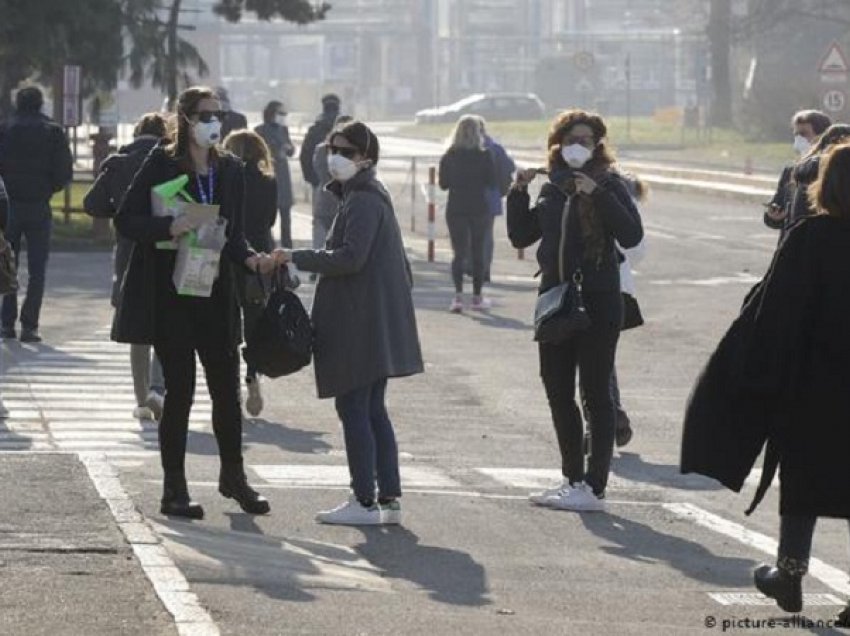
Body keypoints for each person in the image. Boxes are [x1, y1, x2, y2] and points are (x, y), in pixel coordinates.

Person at [681, 143, 850, 627]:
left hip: (814, 387)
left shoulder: (811, 236)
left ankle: (790, 574)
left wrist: (749, 376)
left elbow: (775, 314)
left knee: (804, 482)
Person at [113, 86, 276, 519]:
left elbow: (235, 234)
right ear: (185, 118)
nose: (213, 123)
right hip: (171, 295)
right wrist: (168, 227)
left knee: (225, 390)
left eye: (218, 115)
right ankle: (174, 490)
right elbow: (126, 219)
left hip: (215, 292)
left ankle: (234, 477)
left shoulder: (231, 169)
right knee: (180, 391)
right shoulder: (161, 162)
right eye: (205, 115)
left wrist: (253, 259)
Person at [274, 121, 424, 526]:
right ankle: (387, 498)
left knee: (355, 407)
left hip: (360, 321)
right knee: (373, 408)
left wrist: (295, 256)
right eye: (332, 148)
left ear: (366, 158)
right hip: (373, 319)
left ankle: (364, 499)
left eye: (346, 151)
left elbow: (349, 257)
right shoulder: (367, 194)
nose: (335, 157)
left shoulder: (363, 200)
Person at [507, 109, 643, 513]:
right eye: (570, 140)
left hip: (600, 298)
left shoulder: (610, 183)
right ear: (557, 145)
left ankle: (595, 487)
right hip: (555, 298)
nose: (577, 147)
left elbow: (632, 235)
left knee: (596, 393)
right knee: (556, 388)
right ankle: (572, 479)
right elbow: (521, 234)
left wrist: (596, 194)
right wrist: (517, 192)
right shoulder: (552, 186)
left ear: (597, 145)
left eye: (586, 141)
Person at [83, 113, 169, 421]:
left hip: (129, 248)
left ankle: (142, 398)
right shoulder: (172, 161)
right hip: (166, 246)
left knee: (137, 325)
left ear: (136, 132)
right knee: (165, 323)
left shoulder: (118, 163)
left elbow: (92, 204)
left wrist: (119, 213)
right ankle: (160, 388)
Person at [0, 86, 73, 343]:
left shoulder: (5, 129)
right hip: (38, 204)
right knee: (37, 268)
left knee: (8, 264)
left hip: (8, 205)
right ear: (41, 104)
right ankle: (29, 325)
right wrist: (48, 188)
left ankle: (6, 324)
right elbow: (64, 170)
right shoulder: (52, 131)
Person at [222, 129, 278, 417]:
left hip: (230, 257)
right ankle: (252, 376)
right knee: (254, 321)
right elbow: (270, 219)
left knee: (228, 323)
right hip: (260, 259)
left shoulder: (225, 179)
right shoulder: (268, 183)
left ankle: (230, 386)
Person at [439, 115, 497, 312]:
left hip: (456, 207)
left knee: (459, 253)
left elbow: (443, 184)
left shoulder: (449, 155)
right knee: (477, 252)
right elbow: (491, 181)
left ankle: (457, 297)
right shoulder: (485, 155)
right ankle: (477, 297)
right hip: (478, 208)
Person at [763, 111, 831, 234]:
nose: (799, 139)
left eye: (804, 134)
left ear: (822, 136)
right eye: (796, 134)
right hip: (791, 245)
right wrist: (773, 216)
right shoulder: (790, 171)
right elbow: (778, 206)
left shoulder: (833, 171)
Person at [466, 116, 515, 285]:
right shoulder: (495, 148)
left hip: (470, 198)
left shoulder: (466, 148)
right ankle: (484, 269)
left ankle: (472, 265)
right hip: (492, 198)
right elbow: (510, 168)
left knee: (468, 233)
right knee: (486, 235)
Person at [254, 100, 295, 248]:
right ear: (271, 113)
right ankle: (267, 244)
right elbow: (258, 152)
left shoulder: (284, 130)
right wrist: (276, 150)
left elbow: (291, 150)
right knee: (266, 213)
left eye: (285, 114)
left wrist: (288, 148)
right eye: (281, 113)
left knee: (286, 213)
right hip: (268, 173)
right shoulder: (260, 130)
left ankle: (287, 246)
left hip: (283, 174)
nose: (283, 117)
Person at [311, 114, 354, 251]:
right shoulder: (323, 149)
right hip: (328, 203)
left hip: (342, 203)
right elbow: (322, 174)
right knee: (324, 247)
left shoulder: (355, 150)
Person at [299, 93, 341, 196]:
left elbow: (305, 156)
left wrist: (313, 179)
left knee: (322, 209)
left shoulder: (314, 130)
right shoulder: (346, 129)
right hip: (343, 183)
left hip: (320, 183)